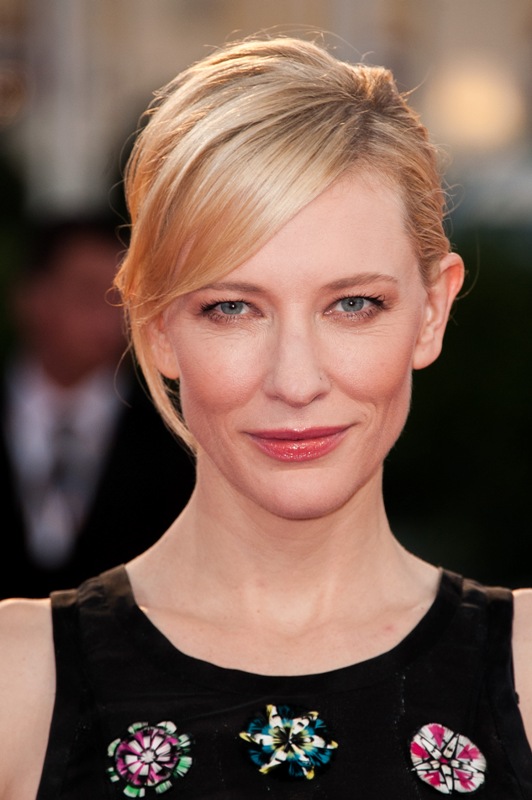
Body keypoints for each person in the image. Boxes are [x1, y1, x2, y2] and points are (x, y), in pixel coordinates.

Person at [0, 35, 531, 800]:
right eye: (232, 308)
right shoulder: (20, 682)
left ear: (431, 311)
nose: (295, 381)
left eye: (354, 304)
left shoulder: (525, 668)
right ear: (154, 325)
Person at [0, 216, 195, 598]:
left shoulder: (175, 431)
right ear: (32, 298)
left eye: (122, 298)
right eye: (88, 294)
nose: (110, 315)